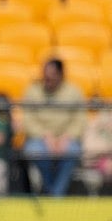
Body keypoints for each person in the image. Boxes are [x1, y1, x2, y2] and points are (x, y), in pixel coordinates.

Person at [21, 58, 87, 197]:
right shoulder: (33, 91)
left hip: (67, 139)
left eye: (51, 77)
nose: (48, 80)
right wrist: (45, 136)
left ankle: (56, 194)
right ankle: (50, 190)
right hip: (40, 139)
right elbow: (28, 120)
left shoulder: (74, 92)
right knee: (34, 151)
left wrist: (67, 136)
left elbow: (80, 120)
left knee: (73, 151)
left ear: (61, 75)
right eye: (45, 77)